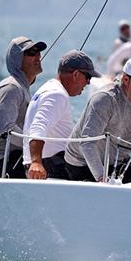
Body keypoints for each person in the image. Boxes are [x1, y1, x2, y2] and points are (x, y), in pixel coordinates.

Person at [23, 50, 100, 180]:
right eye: (88, 78)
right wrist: (36, 162)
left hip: (48, 164)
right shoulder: (57, 94)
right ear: (76, 74)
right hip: (51, 167)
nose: (88, 83)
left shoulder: (49, 87)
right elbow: (38, 127)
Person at [0, 36, 46, 178]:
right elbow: (6, 129)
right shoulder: (11, 87)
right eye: (31, 53)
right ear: (17, 59)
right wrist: (35, 146)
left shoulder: (23, 88)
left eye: (38, 52)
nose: (38, 55)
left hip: (15, 157)